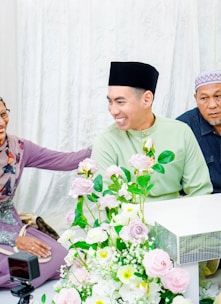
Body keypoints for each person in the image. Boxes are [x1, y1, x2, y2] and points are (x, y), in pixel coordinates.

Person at [0, 96, 91, 289]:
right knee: (22, 265)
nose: (1, 123)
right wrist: (14, 240)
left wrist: (105, 144)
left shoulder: (19, 148)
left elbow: (65, 161)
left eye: (3, 114)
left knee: (59, 258)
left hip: (9, 222)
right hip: (7, 234)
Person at [91, 61, 212, 200]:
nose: (113, 110)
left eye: (120, 102)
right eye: (110, 101)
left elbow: (200, 192)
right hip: (126, 220)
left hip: (176, 218)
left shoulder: (181, 132)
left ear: (147, 99)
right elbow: (106, 200)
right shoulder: (105, 141)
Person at [177, 70, 221, 194]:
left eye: (218, 96)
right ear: (196, 99)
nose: (212, 105)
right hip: (202, 204)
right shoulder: (183, 128)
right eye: (204, 98)